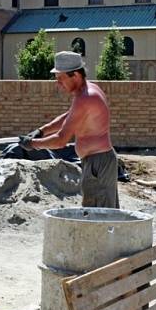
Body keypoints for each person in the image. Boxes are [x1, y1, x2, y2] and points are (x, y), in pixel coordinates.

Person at [19, 51, 119, 208]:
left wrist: (33, 144)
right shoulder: (86, 92)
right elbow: (68, 117)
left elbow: (60, 140)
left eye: (61, 79)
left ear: (76, 76)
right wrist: (41, 131)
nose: (58, 84)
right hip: (96, 162)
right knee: (96, 214)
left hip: (98, 163)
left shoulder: (86, 98)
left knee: (100, 216)